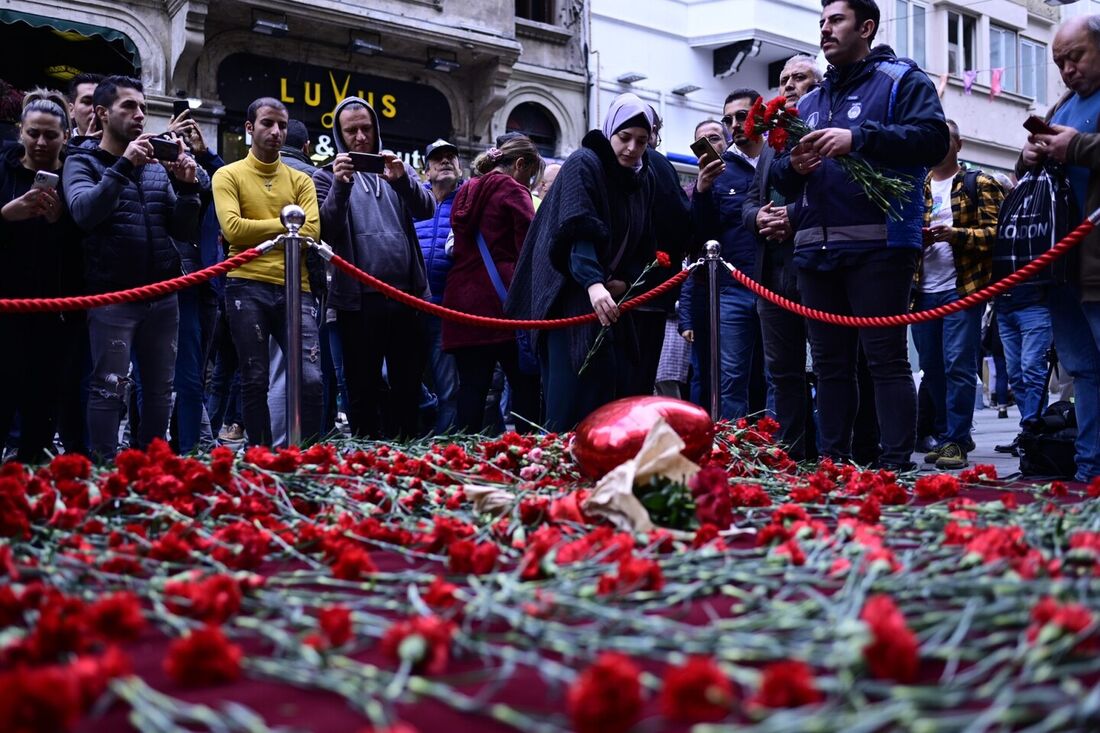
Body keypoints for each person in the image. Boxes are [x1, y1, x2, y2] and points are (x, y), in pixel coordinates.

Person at [770, 0, 949, 470]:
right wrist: (792, 166)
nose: (826, 29)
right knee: (828, 367)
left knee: (885, 361)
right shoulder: (807, 103)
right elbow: (780, 180)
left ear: (866, 27)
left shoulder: (901, 80)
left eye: (837, 20)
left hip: (880, 246)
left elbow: (933, 140)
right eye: (822, 21)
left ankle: (895, 466)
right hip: (813, 250)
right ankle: (832, 462)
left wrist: (860, 139)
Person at [506, 93, 664, 430]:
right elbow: (578, 227)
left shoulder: (644, 178)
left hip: (609, 296)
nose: (633, 148)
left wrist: (626, 280)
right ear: (609, 132)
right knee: (569, 397)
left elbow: (643, 240)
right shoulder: (584, 162)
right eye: (625, 138)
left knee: (610, 395)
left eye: (641, 140)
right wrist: (593, 283)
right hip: (568, 294)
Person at [63, 75, 200, 459]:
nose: (140, 115)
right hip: (113, 295)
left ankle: (151, 467)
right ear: (103, 114)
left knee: (160, 389)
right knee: (108, 387)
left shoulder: (157, 165)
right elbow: (83, 213)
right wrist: (123, 165)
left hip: (162, 294)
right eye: (129, 107)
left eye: (142, 107)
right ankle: (105, 469)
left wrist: (188, 189)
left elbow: (181, 229)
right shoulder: (81, 160)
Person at [313, 97, 434, 439]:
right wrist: (340, 184)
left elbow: (426, 210)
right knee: (362, 388)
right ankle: (368, 457)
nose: (361, 137)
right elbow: (326, 229)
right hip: (358, 300)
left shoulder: (396, 166)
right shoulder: (326, 175)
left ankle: (409, 457)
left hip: (406, 297)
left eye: (366, 128)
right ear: (339, 134)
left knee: (408, 385)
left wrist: (402, 181)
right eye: (351, 131)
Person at [212, 97, 323, 447]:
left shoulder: (301, 180)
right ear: (250, 128)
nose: (276, 131)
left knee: (311, 378)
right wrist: (286, 227)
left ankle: (308, 451)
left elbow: (312, 233)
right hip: (246, 285)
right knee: (254, 378)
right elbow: (232, 229)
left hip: (297, 287)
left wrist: (273, 229)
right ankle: (260, 454)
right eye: (267, 123)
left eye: (282, 125)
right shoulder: (228, 174)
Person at [1017, 14, 1100, 481]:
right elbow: (1031, 160)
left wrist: (1080, 147)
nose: (1067, 70)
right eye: (1059, 62)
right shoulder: (1064, 103)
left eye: (1076, 56)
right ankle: (1090, 469)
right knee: (1083, 373)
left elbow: (1079, 149)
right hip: (1062, 264)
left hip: (1094, 261)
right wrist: (1028, 154)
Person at [742, 56, 823, 460]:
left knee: (830, 367)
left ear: (818, 84)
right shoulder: (772, 143)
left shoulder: (825, 130)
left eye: (799, 77)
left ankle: (837, 453)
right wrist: (757, 216)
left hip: (815, 267)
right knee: (784, 372)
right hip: (770, 274)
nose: (789, 84)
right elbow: (749, 202)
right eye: (783, 79)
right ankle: (794, 453)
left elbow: (837, 199)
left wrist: (793, 218)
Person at [912, 120, 1004, 469]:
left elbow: (998, 233)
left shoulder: (979, 182)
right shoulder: (916, 187)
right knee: (932, 368)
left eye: (944, 140)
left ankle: (956, 439)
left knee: (957, 366)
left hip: (962, 289)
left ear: (958, 145)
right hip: (922, 292)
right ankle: (946, 434)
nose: (937, 146)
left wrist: (956, 235)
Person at [443, 136, 542, 433]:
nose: (531, 182)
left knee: (472, 388)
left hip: (462, 303)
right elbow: (529, 250)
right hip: (503, 305)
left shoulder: (465, 190)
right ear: (520, 164)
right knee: (525, 387)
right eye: (531, 174)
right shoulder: (513, 190)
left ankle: (465, 457)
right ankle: (529, 457)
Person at [0, 92, 80, 461]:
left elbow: (89, 240)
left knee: (42, 400)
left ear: (66, 135)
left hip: (56, 309)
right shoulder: (4, 167)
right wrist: (6, 214)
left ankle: (30, 477)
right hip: (7, 305)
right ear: (21, 133)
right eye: (34, 133)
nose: (42, 142)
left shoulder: (75, 174)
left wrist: (59, 220)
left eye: (51, 135)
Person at [681, 88, 765, 420]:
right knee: (731, 378)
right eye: (728, 119)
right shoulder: (719, 169)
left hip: (776, 286)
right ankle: (737, 448)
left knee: (778, 374)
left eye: (741, 116)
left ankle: (781, 451)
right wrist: (701, 190)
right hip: (732, 288)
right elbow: (699, 238)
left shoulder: (781, 157)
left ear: (760, 115)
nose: (734, 125)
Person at [415, 138, 463, 434]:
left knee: (450, 388)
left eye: (451, 157)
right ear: (426, 171)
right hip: (412, 308)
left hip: (449, 310)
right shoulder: (413, 201)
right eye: (437, 158)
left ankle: (445, 446)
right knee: (392, 374)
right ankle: (426, 409)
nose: (445, 161)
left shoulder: (468, 200)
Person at [67, 73, 102, 139]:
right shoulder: (60, 146)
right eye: (87, 102)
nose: (94, 109)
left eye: (100, 102)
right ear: (71, 110)